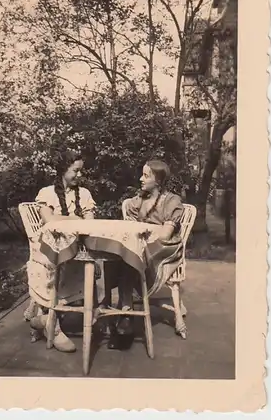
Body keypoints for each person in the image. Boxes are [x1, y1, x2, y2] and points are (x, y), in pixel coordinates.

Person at [106, 159, 184, 350]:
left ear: (158, 180)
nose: (141, 179)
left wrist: (143, 231)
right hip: (143, 244)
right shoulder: (140, 198)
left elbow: (165, 234)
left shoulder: (172, 201)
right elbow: (129, 224)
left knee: (132, 257)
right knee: (118, 254)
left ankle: (125, 313)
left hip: (165, 247)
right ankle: (121, 307)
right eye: (142, 174)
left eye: (146, 175)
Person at [26, 149, 96, 353]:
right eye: (76, 171)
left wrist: (80, 224)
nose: (80, 175)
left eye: (81, 171)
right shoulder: (47, 193)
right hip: (48, 247)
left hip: (76, 244)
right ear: (62, 170)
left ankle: (44, 320)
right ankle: (53, 326)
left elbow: (90, 222)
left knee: (91, 256)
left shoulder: (84, 194)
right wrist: (73, 220)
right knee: (54, 256)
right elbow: (48, 220)